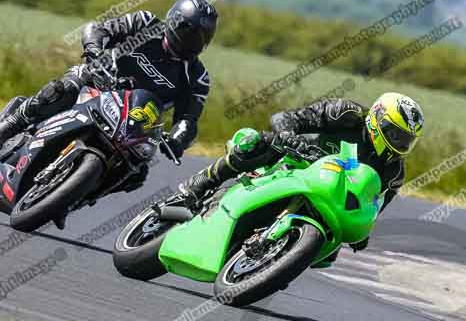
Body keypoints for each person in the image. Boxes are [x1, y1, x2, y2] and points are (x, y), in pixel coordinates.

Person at [168, 92, 425, 266]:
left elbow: (374, 207)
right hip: (294, 158)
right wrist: (288, 134)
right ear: (377, 118)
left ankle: (274, 263)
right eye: (394, 133)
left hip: (329, 196)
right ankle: (201, 182)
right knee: (251, 142)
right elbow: (285, 117)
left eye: (405, 140)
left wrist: (362, 232)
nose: (398, 143)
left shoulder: (393, 172)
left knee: (329, 255)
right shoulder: (345, 113)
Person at [0, 0, 217, 191]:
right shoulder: (146, 23)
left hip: (133, 123)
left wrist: (178, 140)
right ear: (174, 21)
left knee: (137, 173)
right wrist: (94, 50)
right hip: (98, 84)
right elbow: (98, 29)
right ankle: (10, 126)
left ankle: (74, 197)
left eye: (201, 37)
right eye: (189, 31)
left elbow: (188, 120)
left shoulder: (197, 77)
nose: (193, 40)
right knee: (60, 91)